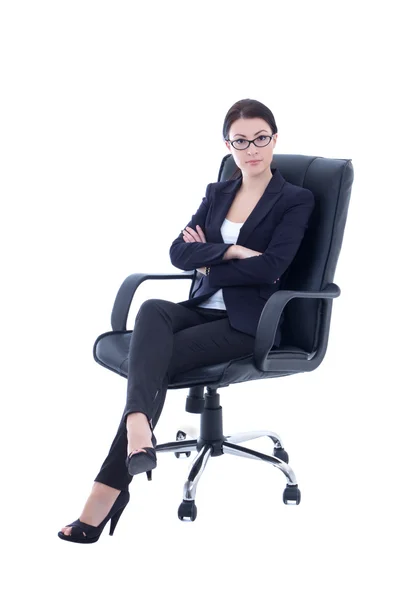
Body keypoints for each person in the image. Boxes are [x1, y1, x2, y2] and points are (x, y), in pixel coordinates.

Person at [58, 98, 315, 543]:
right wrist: (231, 251)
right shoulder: (219, 192)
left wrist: (208, 260)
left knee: (151, 360)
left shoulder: (295, 199)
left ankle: (105, 494)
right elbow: (178, 253)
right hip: (199, 308)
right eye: (240, 141)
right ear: (227, 145)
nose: (251, 148)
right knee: (153, 308)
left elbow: (271, 268)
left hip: (247, 323)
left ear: (275, 139)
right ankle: (139, 422)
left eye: (260, 138)